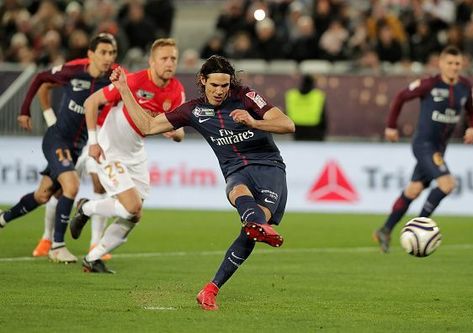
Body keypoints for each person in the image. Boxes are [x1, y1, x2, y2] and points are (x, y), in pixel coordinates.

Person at [104, 55, 295, 310]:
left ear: (231, 84)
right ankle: (258, 224)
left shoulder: (247, 97)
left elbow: (287, 124)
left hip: (268, 168)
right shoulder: (193, 110)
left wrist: (254, 121)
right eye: (214, 85)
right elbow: (148, 126)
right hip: (235, 170)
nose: (219, 91)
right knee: (238, 191)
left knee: (250, 231)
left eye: (224, 86)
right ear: (202, 81)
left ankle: (211, 288)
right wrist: (124, 89)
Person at [68, 38, 186, 273]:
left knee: (134, 215)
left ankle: (93, 258)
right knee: (131, 206)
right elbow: (92, 102)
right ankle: (87, 208)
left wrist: (174, 132)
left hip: (136, 153)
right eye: (164, 58)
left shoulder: (176, 91)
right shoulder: (132, 81)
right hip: (109, 149)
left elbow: (180, 131)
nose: (169, 63)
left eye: (173, 58)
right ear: (152, 61)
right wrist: (93, 143)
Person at [0, 33, 118, 263]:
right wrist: (26, 110)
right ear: (91, 54)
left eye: (112, 53)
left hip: (75, 148)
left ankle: (3, 218)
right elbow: (40, 79)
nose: (108, 57)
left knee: (43, 195)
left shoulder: (113, 80)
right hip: (56, 139)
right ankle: (57, 246)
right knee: (71, 185)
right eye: (103, 52)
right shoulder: (74, 72)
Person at [373, 46, 473, 253]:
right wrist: (391, 126)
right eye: (449, 63)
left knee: (413, 190)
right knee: (447, 184)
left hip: (439, 149)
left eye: (457, 63)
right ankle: (419, 227)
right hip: (423, 145)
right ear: (440, 63)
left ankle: (384, 230)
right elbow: (401, 96)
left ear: (462, 65)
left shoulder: (466, 87)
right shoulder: (429, 84)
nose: (454, 67)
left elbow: (472, 111)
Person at [285, 74, 327, 141]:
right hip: (314, 129)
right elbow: (323, 115)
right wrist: (324, 132)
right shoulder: (318, 95)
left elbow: (285, 113)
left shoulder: (291, 95)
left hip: (297, 129)